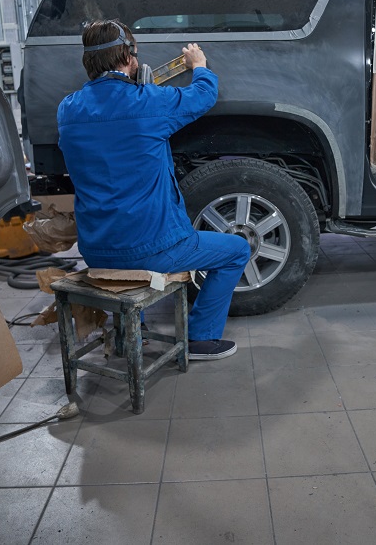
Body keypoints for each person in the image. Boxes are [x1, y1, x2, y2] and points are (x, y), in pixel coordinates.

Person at [56, 19, 251, 360]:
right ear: (129, 58)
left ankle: (132, 332)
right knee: (235, 250)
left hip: (95, 249)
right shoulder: (149, 102)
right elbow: (203, 96)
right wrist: (199, 65)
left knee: (127, 240)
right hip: (152, 250)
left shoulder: (68, 109)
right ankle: (202, 339)